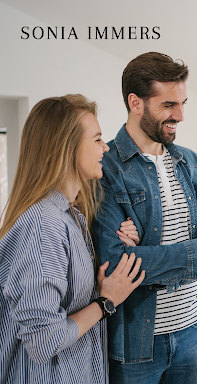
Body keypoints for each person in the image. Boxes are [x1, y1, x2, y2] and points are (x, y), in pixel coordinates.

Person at [90, 52, 197, 384]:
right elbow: (114, 264)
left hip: (195, 332)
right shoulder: (105, 167)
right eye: (169, 104)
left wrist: (145, 255)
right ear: (135, 102)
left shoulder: (192, 162)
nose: (180, 115)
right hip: (136, 342)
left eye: (183, 103)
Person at [0, 94, 145, 384]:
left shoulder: (71, 215)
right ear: (67, 148)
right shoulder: (43, 225)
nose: (105, 147)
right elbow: (44, 341)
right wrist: (106, 302)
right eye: (97, 139)